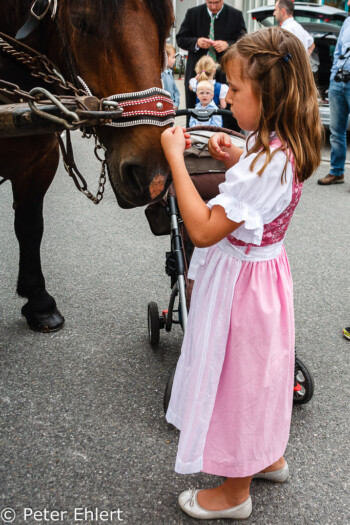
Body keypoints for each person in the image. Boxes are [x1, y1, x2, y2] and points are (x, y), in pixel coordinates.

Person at [161, 27, 322, 520]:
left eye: (234, 89)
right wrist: (237, 151)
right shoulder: (279, 144)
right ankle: (266, 454)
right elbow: (258, 173)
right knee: (264, 375)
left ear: (268, 96)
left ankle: (235, 493)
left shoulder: (267, 162)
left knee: (239, 380)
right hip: (265, 277)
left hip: (243, 288)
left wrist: (175, 161)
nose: (226, 97)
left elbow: (205, 229)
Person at [176, 0, 246, 126]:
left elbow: (244, 40)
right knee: (194, 109)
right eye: (210, 3)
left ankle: (226, 136)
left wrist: (228, 45)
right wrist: (196, 42)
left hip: (225, 73)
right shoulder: (193, 14)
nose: (213, 7)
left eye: (216, 3)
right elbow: (180, 39)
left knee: (226, 110)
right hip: (197, 72)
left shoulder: (235, 15)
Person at [318, 0, 350, 186]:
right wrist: (332, 78)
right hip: (339, 82)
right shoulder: (346, 22)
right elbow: (338, 51)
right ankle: (336, 172)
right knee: (337, 131)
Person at [161, 43, 180, 111]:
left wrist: (176, 105)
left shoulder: (170, 73)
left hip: (172, 109)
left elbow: (176, 92)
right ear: (165, 58)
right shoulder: (161, 76)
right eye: (173, 57)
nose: (175, 60)